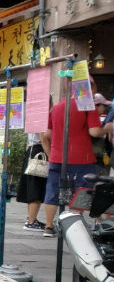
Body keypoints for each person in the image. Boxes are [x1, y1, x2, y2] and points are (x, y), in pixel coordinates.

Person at [41, 91, 104, 237]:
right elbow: (94, 132)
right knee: (80, 191)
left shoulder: (56, 108)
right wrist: (106, 129)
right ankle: (75, 225)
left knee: (53, 190)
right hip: (82, 157)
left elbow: (47, 134)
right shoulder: (88, 106)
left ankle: (49, 226)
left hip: (57, 156)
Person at [17, 132, 47, 231]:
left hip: (31, 150)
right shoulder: (43, 117)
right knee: (36, 186)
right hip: (40, 150)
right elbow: (44, 137)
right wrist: (50, 156)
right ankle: (31, 221)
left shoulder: (32, 117)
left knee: (31, 186)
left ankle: (30, 218)